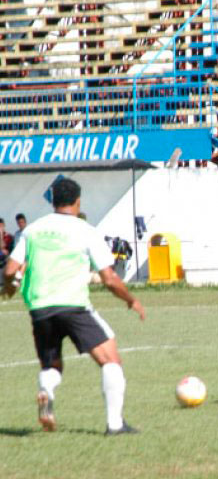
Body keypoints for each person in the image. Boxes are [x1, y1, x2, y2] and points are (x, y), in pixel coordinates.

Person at [1, 178, 146, 435]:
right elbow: (110, 278)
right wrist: (131, 300)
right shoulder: (85, 230)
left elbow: (10, 269)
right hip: (73, 305)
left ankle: (47, 391)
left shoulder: (33, 229)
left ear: (53, 200)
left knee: (52, 366)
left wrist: (10, 286)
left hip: (39, 308)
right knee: (111, 360)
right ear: (78, 201)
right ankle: (115, 424)